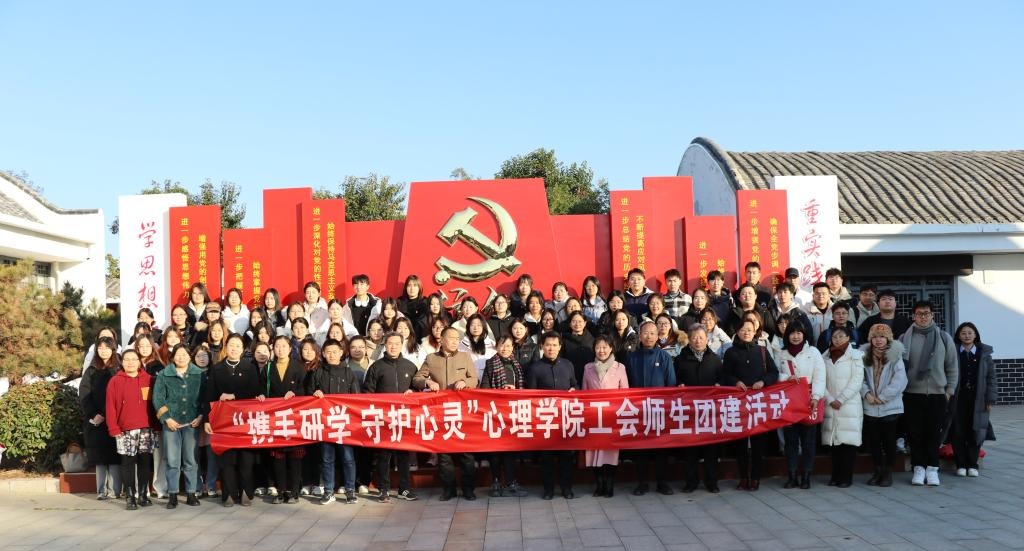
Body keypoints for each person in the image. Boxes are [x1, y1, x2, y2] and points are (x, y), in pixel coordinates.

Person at [413, 327, 479, 500]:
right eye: (451, 338)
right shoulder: (431, 358)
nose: (455, 341)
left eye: (457, 338)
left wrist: (465, 382)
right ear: (442, 340)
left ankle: (468, 489)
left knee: (466, 453)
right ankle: (448, 490)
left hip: (462, 412)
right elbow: (417, 379)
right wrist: (428, 382)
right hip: (440, 412)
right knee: (444, 454)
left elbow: (475, 379)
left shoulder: (465, 357)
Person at [898, 300, 958, 486]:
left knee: (934, 433)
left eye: (926, 313)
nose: (923, 317)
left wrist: (949, 391)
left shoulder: (944, 337)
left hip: (937, 394)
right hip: (911, 393)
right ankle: (918, 467)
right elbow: (897, 367)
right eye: (919, 314)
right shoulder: (904, 338)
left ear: (932, 315)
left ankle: (932, 468)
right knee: (914, 433)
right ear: (913, 316)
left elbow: (952, 366)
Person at [205, 334, 264, 506]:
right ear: (226, 347)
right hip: (224, 421)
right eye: (231, 345)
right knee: (227, 458)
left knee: (246, 458)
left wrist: (234, 396)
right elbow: (209, 395)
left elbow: (255, 391)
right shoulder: (217, 368)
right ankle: (229, 493)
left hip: (245, 420)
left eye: (238, 346)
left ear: (243, 349)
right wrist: (207, 419)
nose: (234, 349)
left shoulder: (250, 367)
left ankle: (246, 492)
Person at [722, 319, 779, 490]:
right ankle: (743, 477)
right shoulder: (731, 352)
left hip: (758, 403)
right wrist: (735, 381)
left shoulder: (762, 351)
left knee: (757, 444)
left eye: (749, 329)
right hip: (738, 403)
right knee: (740, 444)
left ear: (755, 332)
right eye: (742, 329)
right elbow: (725, 374)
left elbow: (774, 372)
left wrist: (763, 381)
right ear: (737, 332)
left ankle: (755, 478)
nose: (746, 332)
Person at [363, 332, 420, 503]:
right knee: (384, 456)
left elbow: (418, 391)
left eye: (397, 343)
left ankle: (404, 489)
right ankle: (383, 489)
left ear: (402, 345)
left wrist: (413, 391)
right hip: (384, 419)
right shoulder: (376, 367)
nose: (393, 346)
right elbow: (367, 393)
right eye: (390, 343)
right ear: (385, 345)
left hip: (404, 418)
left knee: (404, 455)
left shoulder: (410, 366)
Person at [309, 338, 362, 504]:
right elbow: (308, 394)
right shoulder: (318, 372)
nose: (332, 355)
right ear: (323, 354)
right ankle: (328, 491)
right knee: (327, 459)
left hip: (344, 423)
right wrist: (315, 394)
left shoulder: (348, 373)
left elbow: (357, 398)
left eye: (335, 351)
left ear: (341, 353)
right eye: (328, 352)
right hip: (325, 423)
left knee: (348, 458)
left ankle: (350, 491)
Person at [153, 343, 205, 508]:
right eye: (178, 354)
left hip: (192, 422)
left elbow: (205, 398)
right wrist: (166, 418)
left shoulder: (199, 374)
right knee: (172, 460)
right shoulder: (164, 374)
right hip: (171, 424)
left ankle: (191, 493)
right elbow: (158, 398)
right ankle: (173, 494)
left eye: (184, 354)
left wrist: (201, 416)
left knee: (191, 459)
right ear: (173, 357)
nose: (181, 357)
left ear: (190, 356)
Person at [627, 322, 677, 496]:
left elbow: (671, 383)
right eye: (646, 333)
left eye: (652, 333)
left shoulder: (664, 357)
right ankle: (642, 483)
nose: (649, 337)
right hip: (639, 410)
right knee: (641, 448)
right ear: (640, 336)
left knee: (661, 448)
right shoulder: (631, 357)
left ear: (657, 336)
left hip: (659, 410)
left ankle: (662, 483)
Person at [527, 332, 578, 500]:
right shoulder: (535, 368)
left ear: (560, 346)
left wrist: (574, 390)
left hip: (565, 418)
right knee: (547, 457)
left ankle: (566, 488)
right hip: (545, 419)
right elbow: (531, 395)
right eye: (548, 345)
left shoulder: (568, 365)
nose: (551, 348)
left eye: (555, 345)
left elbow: (575, 385)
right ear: (542, 346)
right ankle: (548, 489)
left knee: (566, 456)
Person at [106, 349, 159, 510]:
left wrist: (157, 426)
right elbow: (110, 406)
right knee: (127, 462)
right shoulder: (115, 381)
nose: (130, 362)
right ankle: (130, 496)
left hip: (146, 428)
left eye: (134, 359)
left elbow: (154, 404)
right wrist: (113, 427)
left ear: (139, 362)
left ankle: (143, 494)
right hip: (125, 429)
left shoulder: (149, 379)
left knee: (145, 461)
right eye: (127, 359)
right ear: (122, 362)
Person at [775, 321, 826, 489]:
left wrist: (816, 397)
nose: (795, 336)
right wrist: (786, 378)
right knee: (790, 441)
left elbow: (820, 375)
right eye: (792, 333)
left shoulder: (813, 352)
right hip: (789, 401)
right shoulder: (781, 354)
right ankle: (792, 476)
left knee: (808, 440)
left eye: (799, 333)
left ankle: (806, 476)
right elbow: (775, 374)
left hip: (808, 399)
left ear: (804, 334)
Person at [674, 325, 723, 493]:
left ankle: (712, 482)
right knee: (690, 449)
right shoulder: (680, 359)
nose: (698, 341)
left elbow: (722, 379)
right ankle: (691, 482)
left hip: (710, 411)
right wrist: (679, 385)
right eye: (694, 337)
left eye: (701, 337)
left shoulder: (715, 359)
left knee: (711, 449)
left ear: (707, 339)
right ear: (689, 339)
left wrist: (719, 385)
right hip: (689, 411)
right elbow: (675, 380)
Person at [479, 335, 529, 498]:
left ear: (512, 348)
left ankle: (511, 481)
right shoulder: (490, 363)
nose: (505, 348)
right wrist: (501, 392)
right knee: (495, 449)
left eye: (508, 345)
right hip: (496, 411)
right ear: (496, 346)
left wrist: (515, 390)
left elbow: (524, 387)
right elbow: (484, 387)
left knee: (510, 449)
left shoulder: (517, 364)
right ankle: (495, 482)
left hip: (513, 412)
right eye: (502, 345)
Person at [261, 335, 307, 504]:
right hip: (275, 417)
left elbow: (306, 389)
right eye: (277, 346)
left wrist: (296, 393)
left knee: (295, 456)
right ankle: (280, 491)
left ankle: (294, 491)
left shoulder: (299, 367)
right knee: (278, 456)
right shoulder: (268, 368)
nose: (280, 349)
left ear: (290, 348)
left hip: (294, 417)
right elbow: (261, 388)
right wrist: (260, 395)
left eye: (283, 346)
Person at [860, 323, 907, 487]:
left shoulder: (895, 356)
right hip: (870, 405)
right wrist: (866, 393)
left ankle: (888, 471)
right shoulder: (864, 356)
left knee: (888, 441)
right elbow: (860, 378)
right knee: (874, 441)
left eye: (882, 337)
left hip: (889, 406)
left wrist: (883, 397)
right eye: (874, 337)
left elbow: (900, 380)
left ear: (888, 339)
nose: (878, 340)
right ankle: (877, 470)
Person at [582, 335, 628, 497]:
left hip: (612, 417)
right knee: (594, 452)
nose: (601, 350)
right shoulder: (588, 367)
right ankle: (599, 484)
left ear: (611, 348)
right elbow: (584, 393)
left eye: (604, 347)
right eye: (598, 347)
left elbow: (625, 393)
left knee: (610, 452)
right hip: (594, 417)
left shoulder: (619, 367)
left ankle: (609, 484)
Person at [950, 322, 997, 478]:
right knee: (957, 431)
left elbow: (991, 378)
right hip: (958, 398)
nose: (967, 336)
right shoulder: (953, 352)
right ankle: (960, 464)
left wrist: (990, 399)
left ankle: (972, 464)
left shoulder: (984, 354)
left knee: (976, 430)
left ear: (975, 335)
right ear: (958, 336)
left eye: (970, 333)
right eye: (963, 333)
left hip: (978, 399)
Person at [80, 336, 122, 500]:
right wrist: (93, 414)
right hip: (95, 421)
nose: (103, 351)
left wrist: (105, 414)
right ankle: (101, 490)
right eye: (100, 348)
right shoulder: (91, 370)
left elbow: (119, 395)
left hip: (114, 419)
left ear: (113, 349)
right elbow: (84, 394)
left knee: (114, 456)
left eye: (107, 347)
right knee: (100, 458)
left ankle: (114, 490)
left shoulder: (118, 369)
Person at [822, 326, 864, 488]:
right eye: (834, 337)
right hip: (830, 404)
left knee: (848, 443)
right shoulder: (825, 356)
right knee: (834, 443)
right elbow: (820, 380)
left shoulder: (856, 356)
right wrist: (830, 398)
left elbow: (857, 380)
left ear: (848, 338)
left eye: (841, 336)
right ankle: (835, 475)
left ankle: (846, 477)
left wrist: (841, 399)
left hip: (849, 405)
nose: (837, 339)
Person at [561, 312, 595, 383]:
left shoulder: (592, 340)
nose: (577, 324)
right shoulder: (564, 340)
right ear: (570, 324)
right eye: (574, 321)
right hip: (569, 377)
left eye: (580, 321)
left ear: (585, 323)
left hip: (589, 377)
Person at [460, 313, 496, 378]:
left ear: (483, 326)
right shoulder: (461, 345)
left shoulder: (491, 344)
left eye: (479, 325)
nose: (476, 328)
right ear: (468, 327)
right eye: (472, 325)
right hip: (468, 379)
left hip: (487, 379)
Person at [397, 275, 428, 339]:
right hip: (402, 336)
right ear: (406, 288)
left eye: (415, 285)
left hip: (420, 337)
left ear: (419, 287)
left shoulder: (425, 302)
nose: (412, 288)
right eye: (409, 285)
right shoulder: (399, 302)